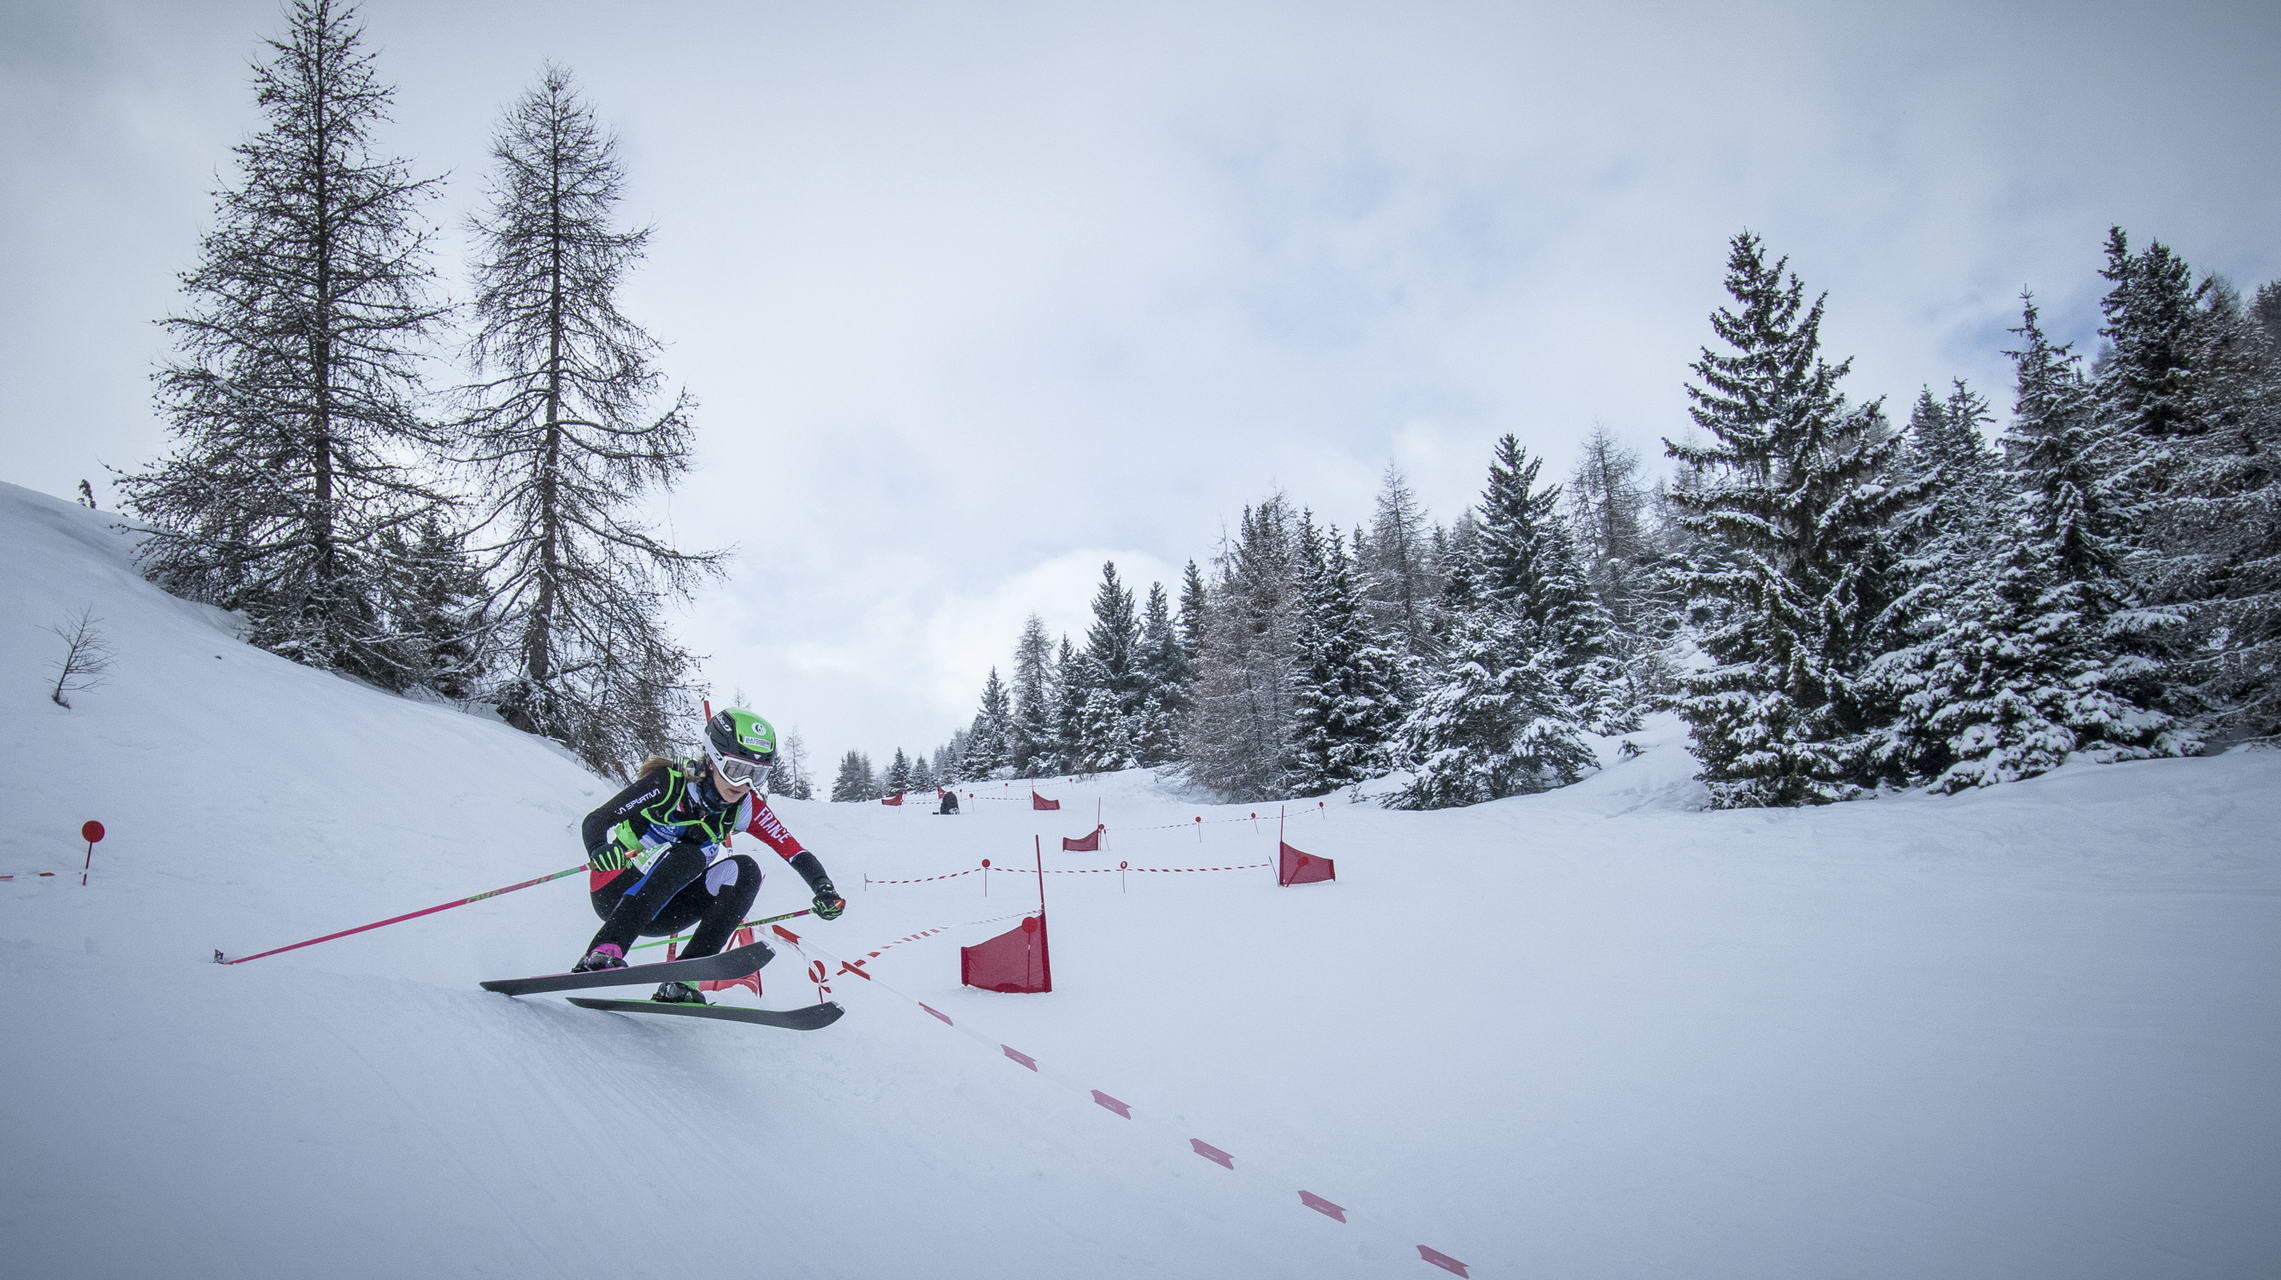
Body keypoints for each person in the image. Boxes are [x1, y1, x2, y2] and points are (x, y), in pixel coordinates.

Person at [572, 708, 845, 1003]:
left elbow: (794, 851)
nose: (743, 784)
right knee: (690, 856)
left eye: (757, 774)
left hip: (667, 911)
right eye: (737, 770)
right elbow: (597, 821)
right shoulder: (670, 782)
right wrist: (600, 849)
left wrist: (823, 887)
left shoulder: (746, 806)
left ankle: (683, 980)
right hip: (616, 892)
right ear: (713, 760)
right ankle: (604, 949)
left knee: (746, 870)